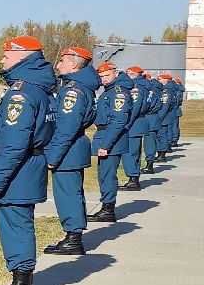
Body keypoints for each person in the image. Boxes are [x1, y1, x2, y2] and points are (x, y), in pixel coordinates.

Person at [0, 36, 55, 285]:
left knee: (16, 226)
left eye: (6, 54)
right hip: (28, 166)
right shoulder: (39, 89)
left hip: (18, 170)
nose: (2, 59)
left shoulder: (21, 94)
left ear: (23, 56)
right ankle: (21, 282)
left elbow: (14, 142)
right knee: (19, 224)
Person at [43, 45, 99, 255]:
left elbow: (67, 127)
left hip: (69, 149)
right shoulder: (82, 87)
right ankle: (72, 235)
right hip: (74, 147)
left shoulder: (73, 90)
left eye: (62, 61)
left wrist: (52, 156)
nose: (58, 64)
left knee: (67, 194)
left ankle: (73, 239)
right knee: (72, 193)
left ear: (74, 64)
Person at [90, 62, 129, 223]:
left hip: (110, 138)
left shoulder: (118, 93)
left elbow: (118, 121)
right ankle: (107, 206)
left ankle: (108, 210)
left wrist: (106, 145)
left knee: (107, 175)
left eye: (107, 75)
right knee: (103, 175)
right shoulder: (109, 91)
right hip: (105, 135)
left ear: (116, 74)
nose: (104, 79)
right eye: (101, 77)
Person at [120, 66, 152, 190]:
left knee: (130, 152)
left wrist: (126, 123)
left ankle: (133, 179)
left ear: (133, 74)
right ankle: (134, 177)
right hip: (138, 122)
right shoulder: (143, 86)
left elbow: (135, 107)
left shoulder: (136, 88)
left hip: (134, 123)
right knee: (135, 151)